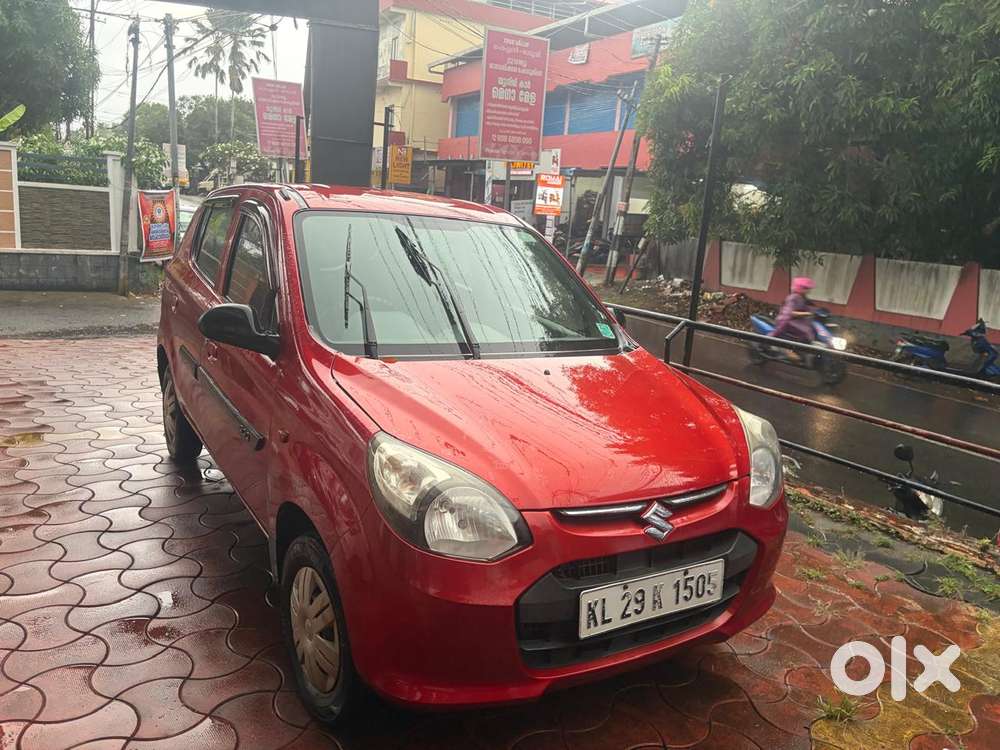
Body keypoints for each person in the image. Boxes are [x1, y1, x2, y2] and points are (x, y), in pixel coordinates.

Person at [770, 277, 816, 344]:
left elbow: (810, 307)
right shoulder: (793, 298)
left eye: (808, 289)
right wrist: (807, 313)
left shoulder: (803, 298)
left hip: (798, 321)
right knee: (806, 331)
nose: (808, 291)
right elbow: (790, 313)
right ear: (800, 288)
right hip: (787, 321)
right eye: (805, 288)